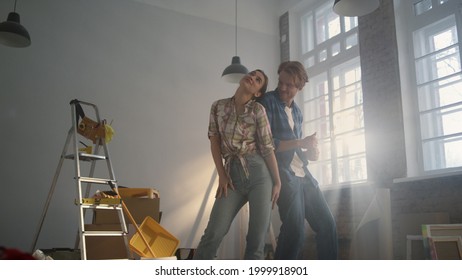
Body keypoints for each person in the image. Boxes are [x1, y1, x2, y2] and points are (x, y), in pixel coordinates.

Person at [193, 69, 281, 260]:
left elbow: (267, 148)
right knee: (214, 233)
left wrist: (277, 181)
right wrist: (222, 175)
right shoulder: (217, 106)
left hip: (260, 176)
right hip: (232, 175)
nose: (252, 77)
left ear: (258, 93)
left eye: (258, 80)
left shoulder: (258, 110)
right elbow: (214, 141)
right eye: (252, 74)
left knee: (256, 241)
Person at [257, 61, 338, 260]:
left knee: (327, 225)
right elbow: (266, 144)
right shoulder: (266, 102)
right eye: (281, 82)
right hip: (282, 172)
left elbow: (296, 149)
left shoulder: (298, 113)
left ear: (300, 87)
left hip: (303, 173)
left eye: (289, 85)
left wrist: (310, 152)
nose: (282, 88)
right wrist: (301, 141)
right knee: (295, 230)